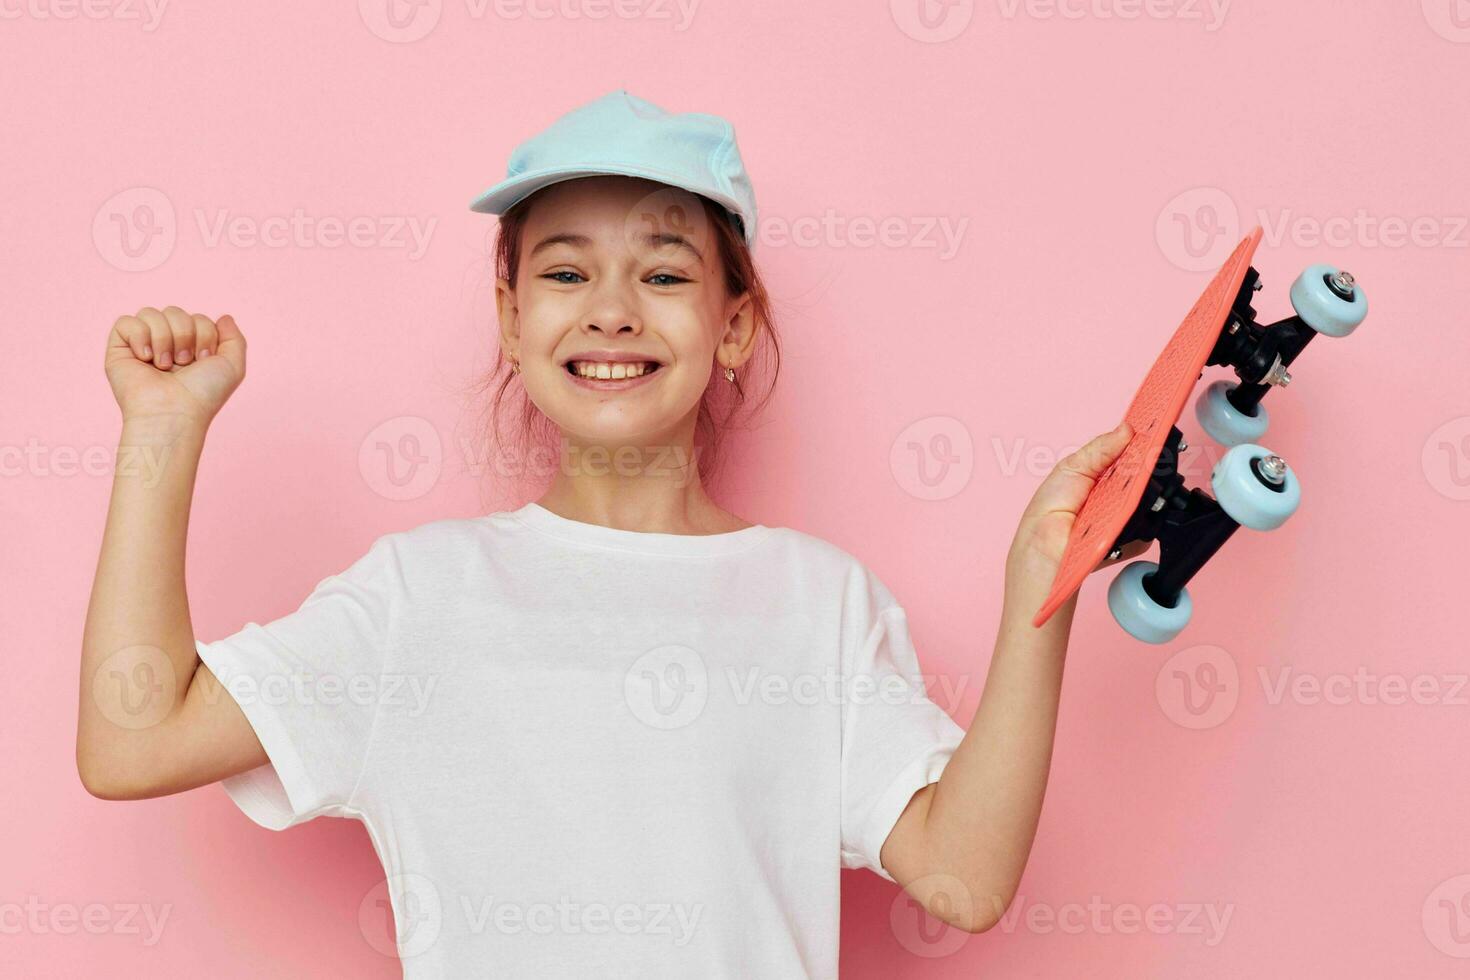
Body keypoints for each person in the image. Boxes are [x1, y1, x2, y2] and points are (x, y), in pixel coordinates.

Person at [76, 89, 1140, 978]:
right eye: (567, 271)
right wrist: (161, 432)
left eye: (666, 273)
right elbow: (133, 741)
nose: (614, 310)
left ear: (734, 325)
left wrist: (1038, 597)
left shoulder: (819, 603)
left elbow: (964, 874)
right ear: (510, 317)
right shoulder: (420, 596)